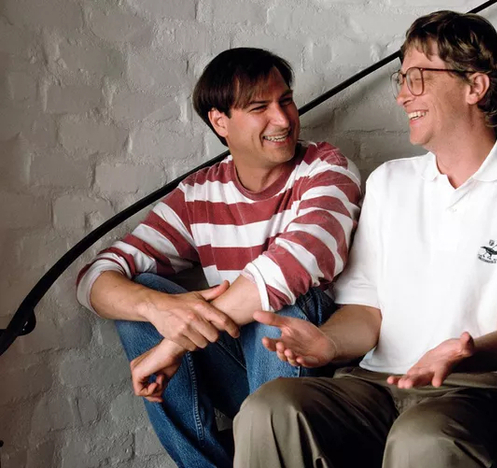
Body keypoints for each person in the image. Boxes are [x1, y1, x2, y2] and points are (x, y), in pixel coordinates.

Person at [232, 11, 497, 468]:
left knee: (422, 438)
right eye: (402, 80)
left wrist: (463, 355)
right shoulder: (389, 181)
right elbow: (366, 310)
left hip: (482, 389)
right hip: (376, 384)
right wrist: (327, 343)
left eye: (417, 78)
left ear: (475, 86)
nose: (402, 95)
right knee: (270, 408)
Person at [75, 47, 362, 468]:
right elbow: (95, 277)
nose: (283, 119)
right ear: (220, 121)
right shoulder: (199, 194)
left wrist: (174, 344)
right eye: (260, 108)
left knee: (282, 307)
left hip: (321, 383)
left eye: (285, 100)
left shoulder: (326, 167)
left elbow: (298, 262)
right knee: (144, 298)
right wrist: (159, 310)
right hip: (241, 370)